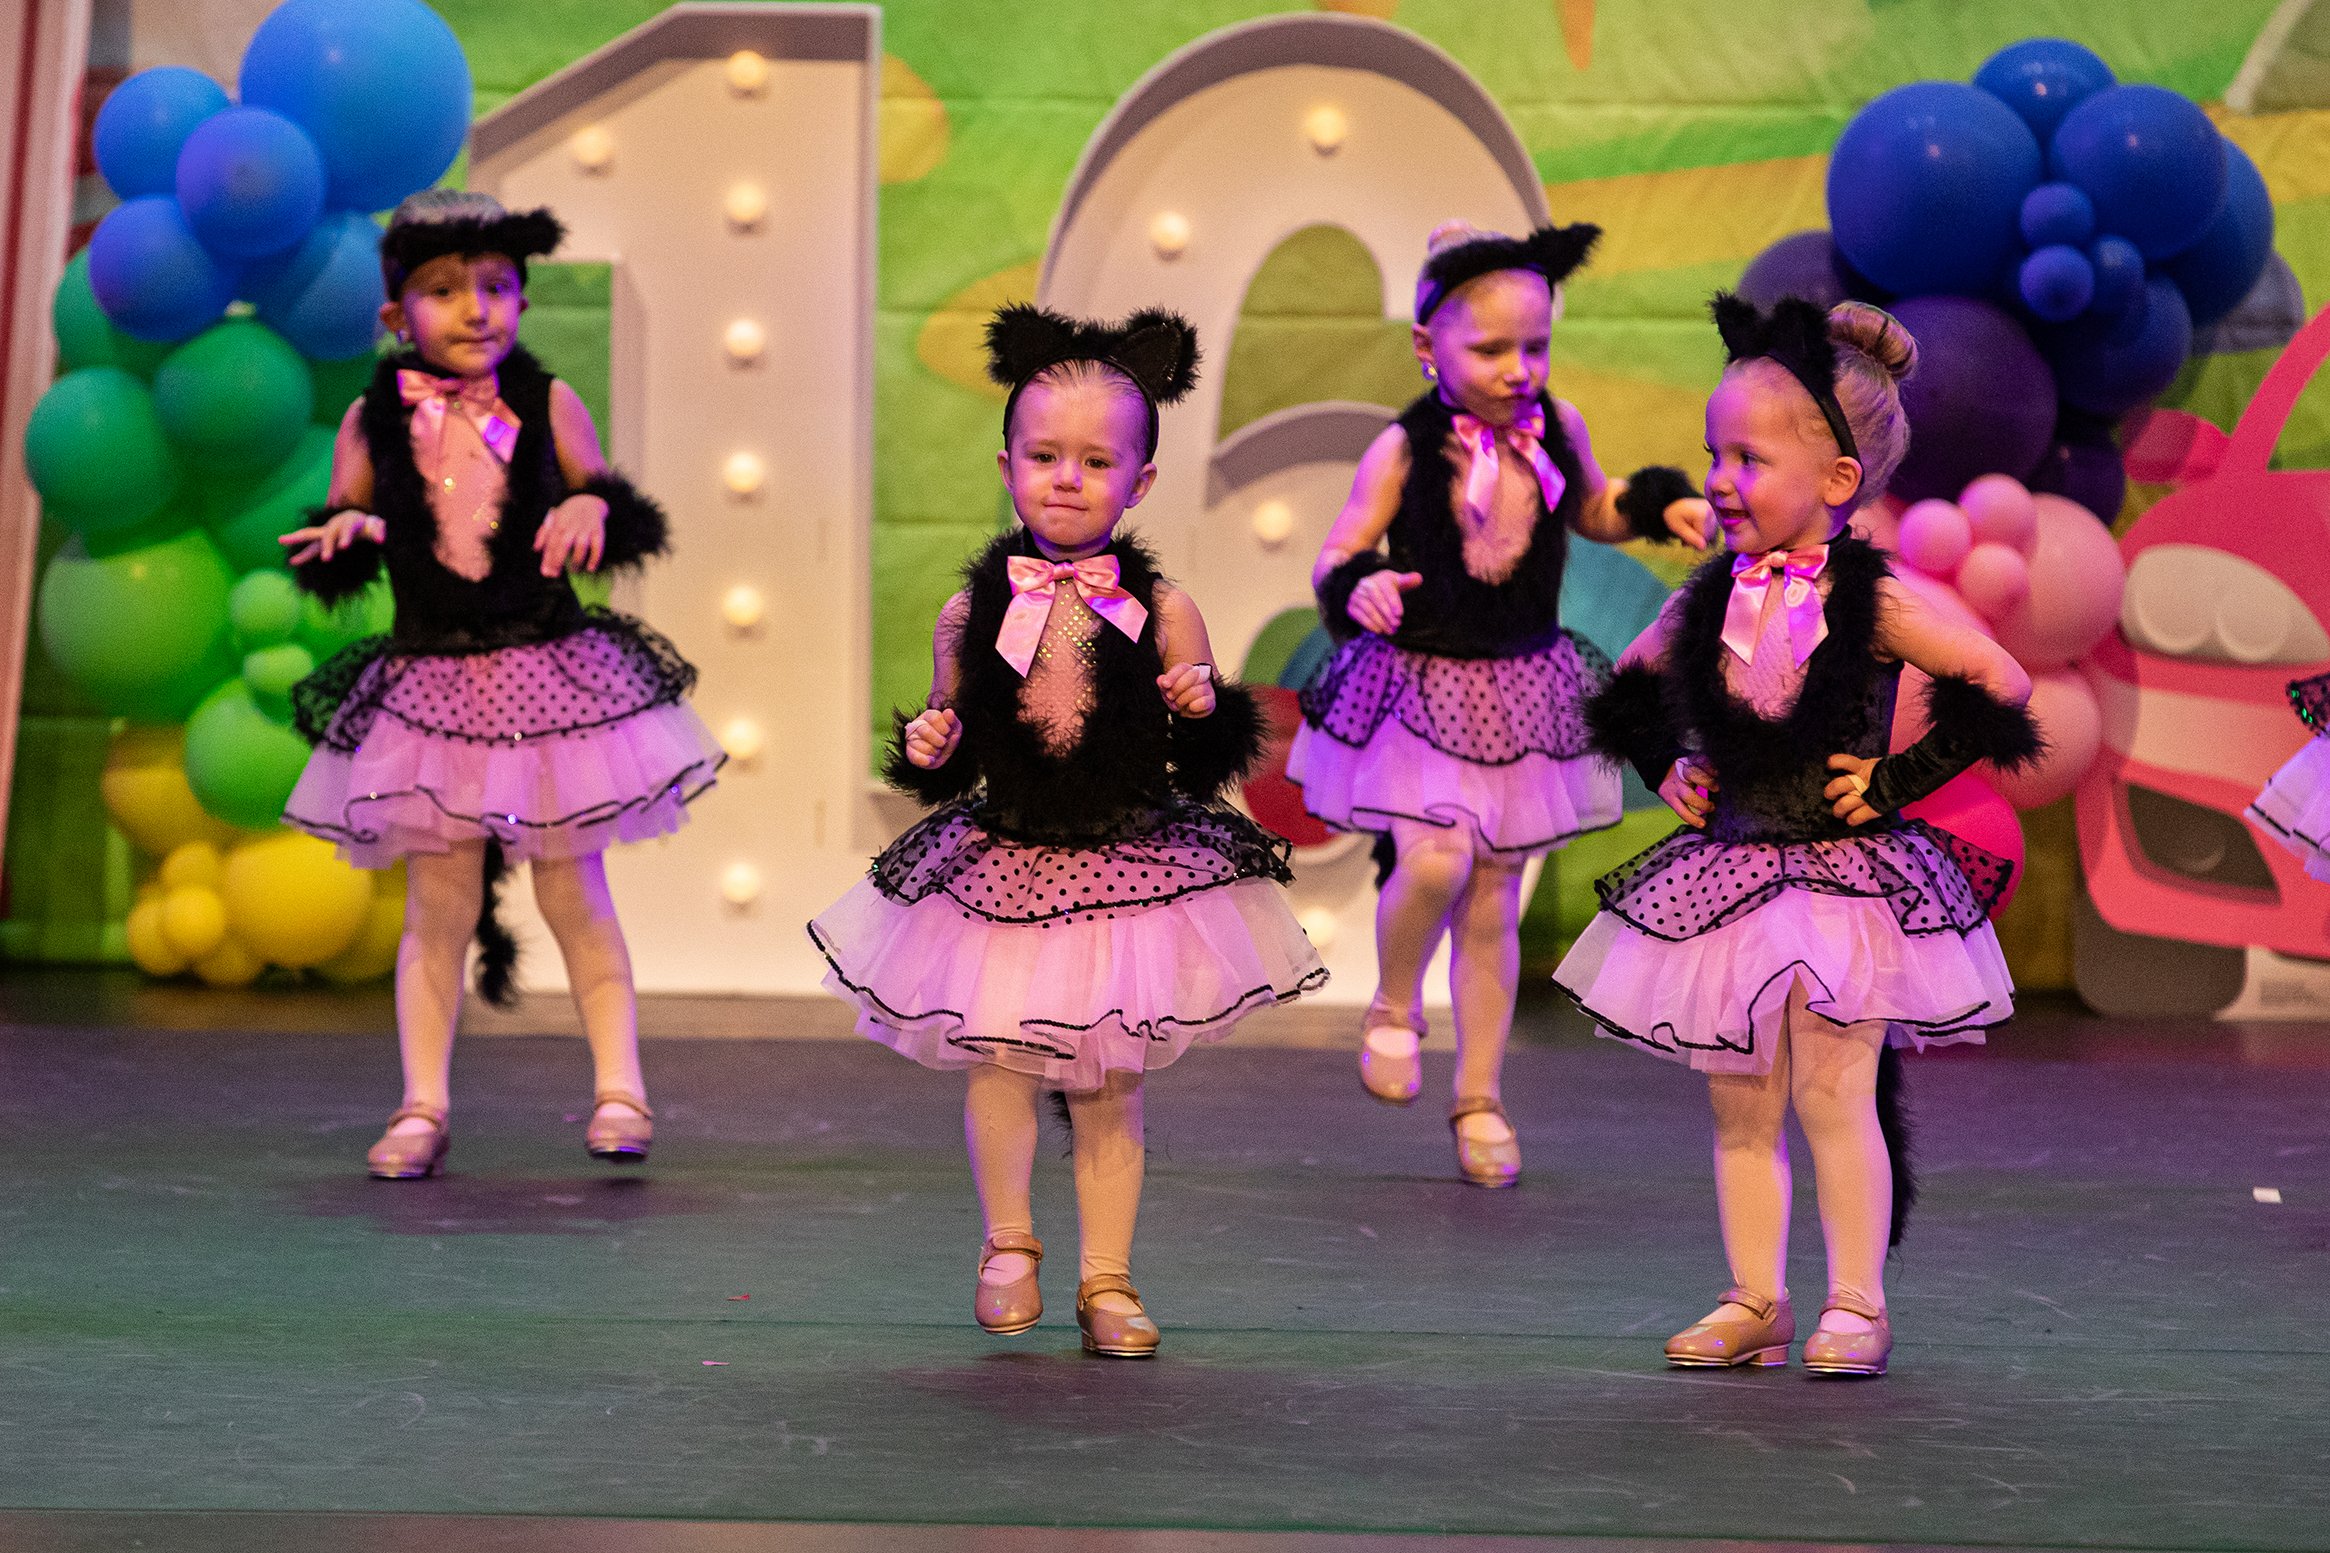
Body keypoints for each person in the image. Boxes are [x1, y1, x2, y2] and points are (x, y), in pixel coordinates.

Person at [810, 305, 1324, 1359]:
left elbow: (1215, 746)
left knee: (1104, 1075)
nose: (1066, 478)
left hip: (1126, 862)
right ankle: (1008, 1243)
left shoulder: (1163, 606)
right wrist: (930, 738)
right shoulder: (972, 609)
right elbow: (944, 742)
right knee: (998, 1055)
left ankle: (1108, 1276)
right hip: (1004, 854)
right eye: (1044, 455)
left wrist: (1199, 705)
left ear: (1137, 482)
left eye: (1096, 461)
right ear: (1005, 466)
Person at [1556, 293, 2039, 1377]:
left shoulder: (1871, 602)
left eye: (1745, 458)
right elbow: (1625, 687)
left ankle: (1855, 1303)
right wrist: (1664, 766)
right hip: (1727, 870)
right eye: (1709, 455)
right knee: (1739, 1098)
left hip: (1841, 879)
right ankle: (1753, 1295)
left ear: (1833, 480)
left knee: (1832, 1090)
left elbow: (1996, 680)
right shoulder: (1706, 598)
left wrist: (1893, 781)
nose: (1718, 480)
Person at [282, 191, 723, 1180]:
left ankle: (620, 1086)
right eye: (445, 291)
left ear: (521, 297)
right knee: (436, 905)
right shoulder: (373, 419)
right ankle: (421, 1103)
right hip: (431, 685)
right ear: (398, 314)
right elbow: (342, 516)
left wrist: (590, 508)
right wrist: (346, 537)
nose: (475, 308)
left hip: (545, 677)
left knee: (575, 890)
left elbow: (604, 494)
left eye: (496, 287)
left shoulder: (548, 401)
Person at [1290, 220, 1709, 1186]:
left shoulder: (1556, 428)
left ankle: (1479, 1094)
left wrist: (1659, 506)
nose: (1519, 369)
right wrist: (1356, 587)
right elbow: (1341, 547)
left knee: (1493, 899)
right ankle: (1395, 1004)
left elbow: (1594, 508)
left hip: (1525, 688)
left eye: (1537, 346)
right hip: (1422, 684)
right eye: (1491, 350)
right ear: (1426, 346)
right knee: (1435, 858)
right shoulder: (1405, 447)